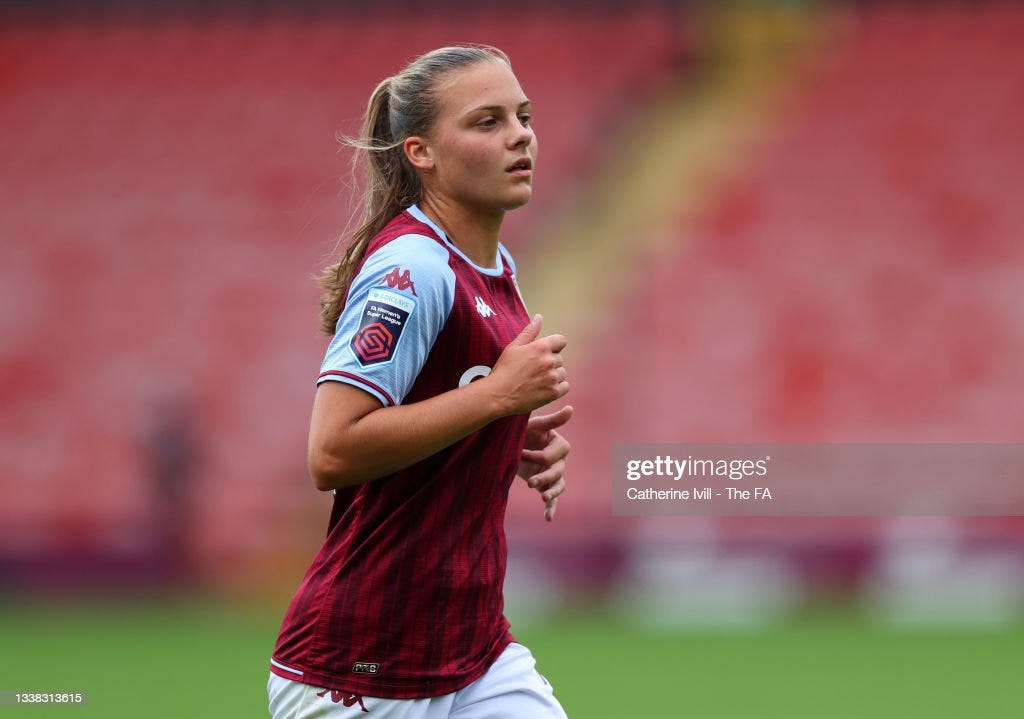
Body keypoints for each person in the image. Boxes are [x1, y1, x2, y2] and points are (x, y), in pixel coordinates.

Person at [267, 45, 573, 718]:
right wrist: (496, 396)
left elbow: (440, 406)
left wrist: (504, 433)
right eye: (487, 122)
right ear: (421, 152)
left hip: (474, 651)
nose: (520, 135)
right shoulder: (413, 269)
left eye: (523, 116)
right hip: (361, 665)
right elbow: (333, 450)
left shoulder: (491, 265)